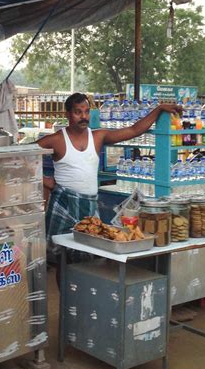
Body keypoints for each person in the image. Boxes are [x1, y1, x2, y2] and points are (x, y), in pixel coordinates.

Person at [37, 93, 182, 258]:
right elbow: (19, 157)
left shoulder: (98, 136)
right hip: (63, 203)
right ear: (68, 114)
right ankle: (62, 284)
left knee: (88, 256)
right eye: (78, 112)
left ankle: (78, 285)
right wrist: (46, 181)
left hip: (90, 204)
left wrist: (159, 109)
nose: (84, 117)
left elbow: (134, 130)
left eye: (86, 111)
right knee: (60, 256)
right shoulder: (56, 140)